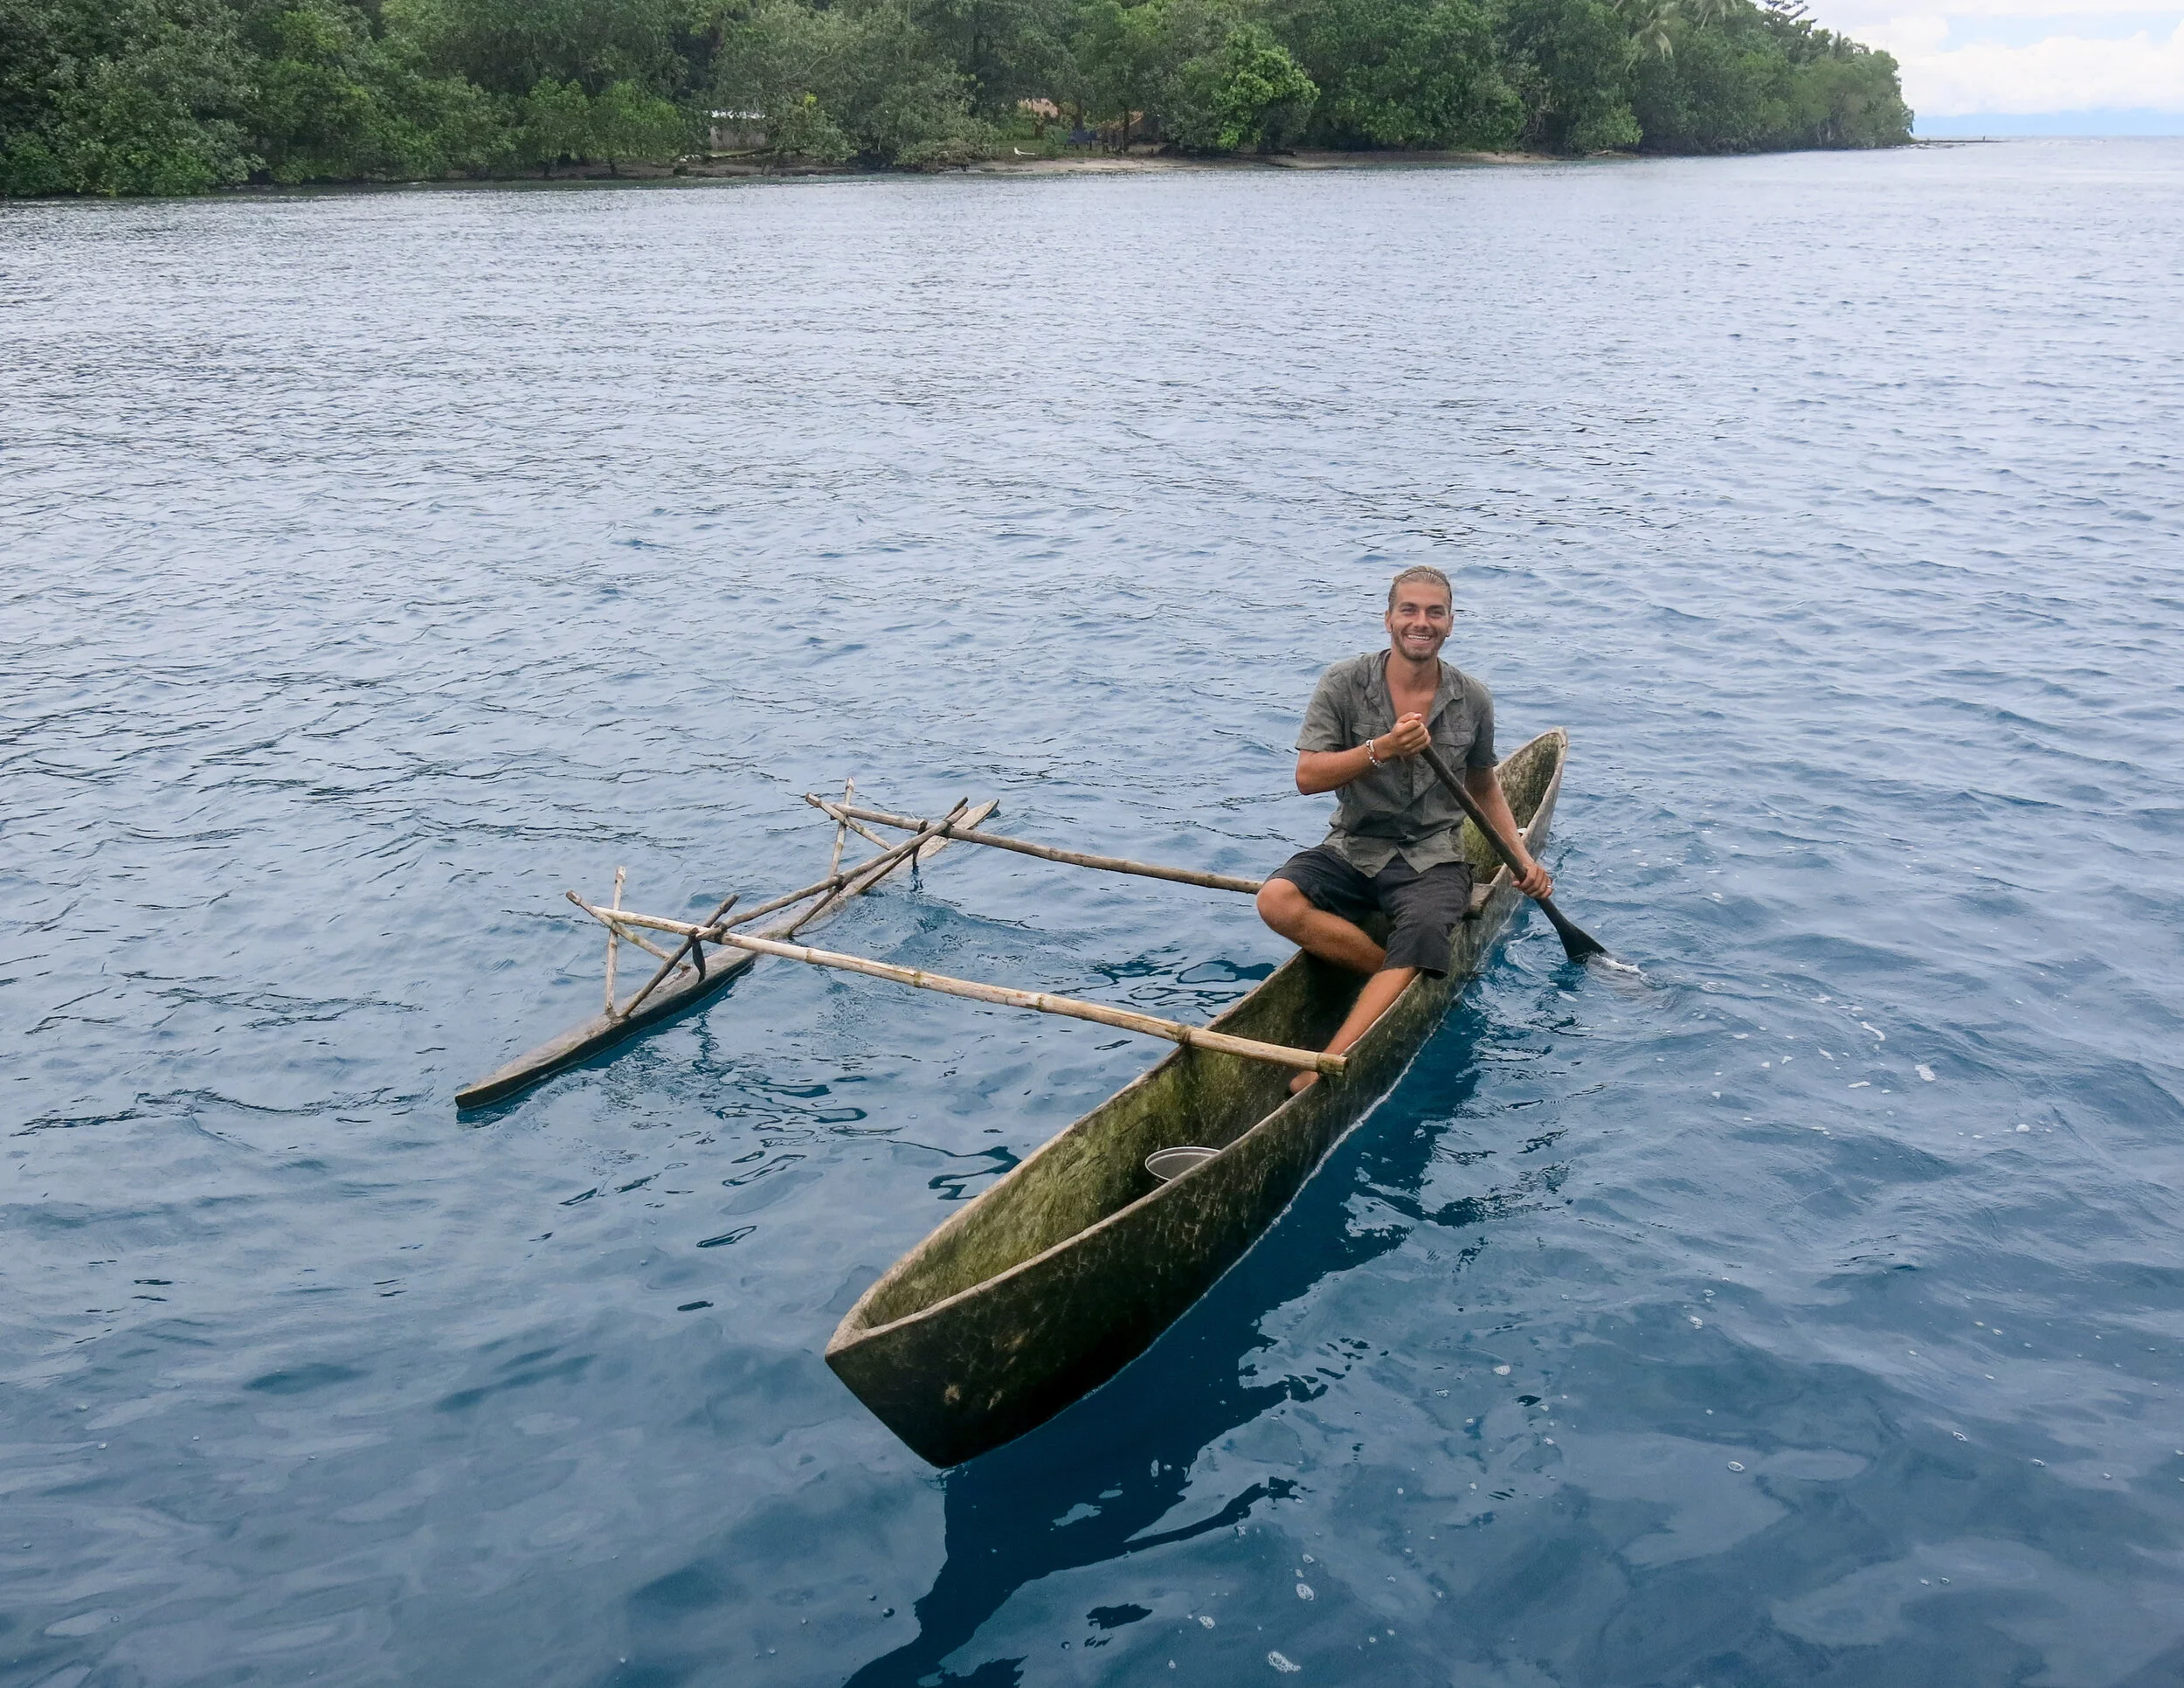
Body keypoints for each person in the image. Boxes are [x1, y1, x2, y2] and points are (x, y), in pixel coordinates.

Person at [1257, 565, 1552, 1091]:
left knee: (1419, 934)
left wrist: (1522, 858)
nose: (1422, 622)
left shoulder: (1473, 698)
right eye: (1409, 610)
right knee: (1275, 900)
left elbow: (1483, 785)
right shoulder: (1343, 683)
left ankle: (1326, 1062)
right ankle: (1390, 977)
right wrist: (1381, 750)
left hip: (1433, 857)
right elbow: (1307, 777)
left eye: (1434, 612)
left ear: (1451, 623)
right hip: (1353, 845)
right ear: (1388, 619)